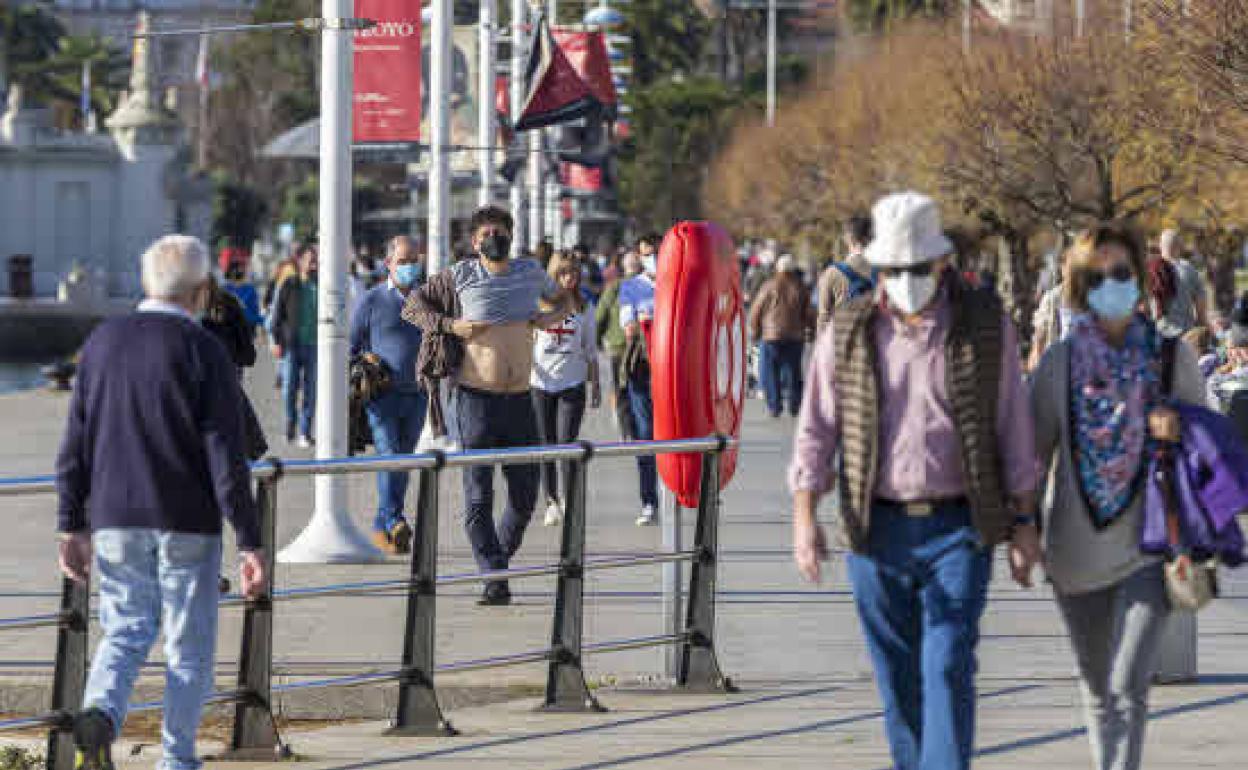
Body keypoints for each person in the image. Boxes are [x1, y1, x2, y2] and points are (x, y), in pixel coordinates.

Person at [790, 192, 1040, 770]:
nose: (906, 280)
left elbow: (1013, 426)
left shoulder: (983, 323)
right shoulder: (850, 329)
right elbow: (816, 428)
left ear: (942, 264)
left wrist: (1025, 524)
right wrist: (806, 518)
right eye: (895, 270)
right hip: (875, 528)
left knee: (948, 662)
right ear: (878, 267)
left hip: (959, 524)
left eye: (918, 269)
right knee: (897, 676)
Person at [55, 235, 266, 770]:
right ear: (200, 291)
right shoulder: (203, 351)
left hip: (114, 516)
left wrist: (70, 526)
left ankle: (101, 712)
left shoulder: (102, 343)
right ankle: (176, 759)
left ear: (146, 281)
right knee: (187, 646)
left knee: (125, 628)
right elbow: (226, 453)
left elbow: (74, 444)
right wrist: (250, 540)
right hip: (185, 518)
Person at [1030, 224, 1205, 770]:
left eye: (1122, 273)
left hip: (1152, 548)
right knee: (1097, 684)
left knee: (1129, 684)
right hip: (1076, 557)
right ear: (1080, 287)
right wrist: (1019, 530)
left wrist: (1178, 428)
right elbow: (1031, 458)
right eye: (1096, 276)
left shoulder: (1170, 358)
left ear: (1142, 279)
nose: (1111, 284)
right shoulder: (1058, 364)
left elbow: (1211, 444)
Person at [403, 206, 571, 605]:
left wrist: (553, 317)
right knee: (478, 497)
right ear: (475, 241)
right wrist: (451, 326)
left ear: (510, 236)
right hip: (474, 400)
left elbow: (562, 298)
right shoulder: (460, 275)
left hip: (519, 401)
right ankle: (496, 577)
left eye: (500, 231)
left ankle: (496, 564)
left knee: (525, 496)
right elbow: (413, 306)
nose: (493, 238)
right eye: (485, 234)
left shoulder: (530, 272)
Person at [350, 236, 428, 555]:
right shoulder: (371, 301)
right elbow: (352, 346)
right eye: (403, 261)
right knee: (390, 457)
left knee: (403, 461)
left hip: (418, 396)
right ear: (388, 264)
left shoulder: (426, 299)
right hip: (382, 397)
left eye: (414, 261)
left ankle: (383, 525)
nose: (410, 267)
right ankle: (395, 520)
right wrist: (365, 363)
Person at [532, 251, 601, 527]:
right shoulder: (537, 304)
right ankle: (551, 501)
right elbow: (527, 340)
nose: (568, 278)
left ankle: (570, 498)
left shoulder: (585, 307)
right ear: (553, 274)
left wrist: (595, 382)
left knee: (566, 443)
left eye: (573, 273)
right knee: (546, 445)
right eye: (562, 273)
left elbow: (591, 348)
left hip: (572, 384)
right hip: (539, 384)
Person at [618, 237, 662, 526]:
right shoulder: (631, 287)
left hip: (674, 371)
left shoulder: (678, 283)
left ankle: (683, 489)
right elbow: (628, 324)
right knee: (645, 433)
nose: (652, 258)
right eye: (646, 254)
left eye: (656, 253)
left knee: (677, 435)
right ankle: (649, 500)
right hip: (643, 367)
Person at [748, 255, 814, 418]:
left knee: (771, 371)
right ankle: (794, 405)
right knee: (794, 371)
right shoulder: (800, 287)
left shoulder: (768, 286)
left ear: (778, 268)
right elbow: (810, 313)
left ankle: (774, 405)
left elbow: (756, 310)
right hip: (795, 336)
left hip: (771, 336)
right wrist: (812, 331)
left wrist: (755, 331)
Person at [270, 245, 319, 447]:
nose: (314, 264)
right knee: (290, 387)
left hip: (315, 346)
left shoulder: (323, 285)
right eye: (310, 260)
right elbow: (277, 315)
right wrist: (277, 340)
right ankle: (291, 423)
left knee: (311, 390)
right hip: (292, 345)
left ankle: (305, 431)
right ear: (300, 262)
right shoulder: (289, 284)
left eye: (316, 261)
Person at [597, 251, 641, 442]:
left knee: (621, 390)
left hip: (618, 347)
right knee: (640, 390)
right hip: (642, 348)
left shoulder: (614, 287)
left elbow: (600, 315)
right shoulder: (648, 286)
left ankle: (626, 431)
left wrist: (597, 339)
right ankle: (641, 429)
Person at [816, 214, 876, 333]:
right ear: (871, 238)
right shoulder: (886, 272)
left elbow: (824, 317)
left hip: (842, 342)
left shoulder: (831, 273)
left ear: (846, 239)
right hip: (879, 344)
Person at [1152, 228, 1211, 337]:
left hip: (1158, 332)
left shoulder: (1151, 268)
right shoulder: (1189, 270)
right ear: (1179, 246)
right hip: (1185, 333)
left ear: (1160, 246)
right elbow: (1201, 308)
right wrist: (1205, 328)